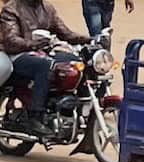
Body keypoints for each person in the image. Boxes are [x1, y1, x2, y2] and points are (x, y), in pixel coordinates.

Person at [0, 0, 88, 139]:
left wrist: (89, 40)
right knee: (44, 65)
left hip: (40, 52)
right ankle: (36, 116)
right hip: (16, 54)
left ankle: (73, 107)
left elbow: (65, 33)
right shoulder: (12, 9)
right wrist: (32, 44)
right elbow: (11, 40)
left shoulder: (47, 8)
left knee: (74, 61)